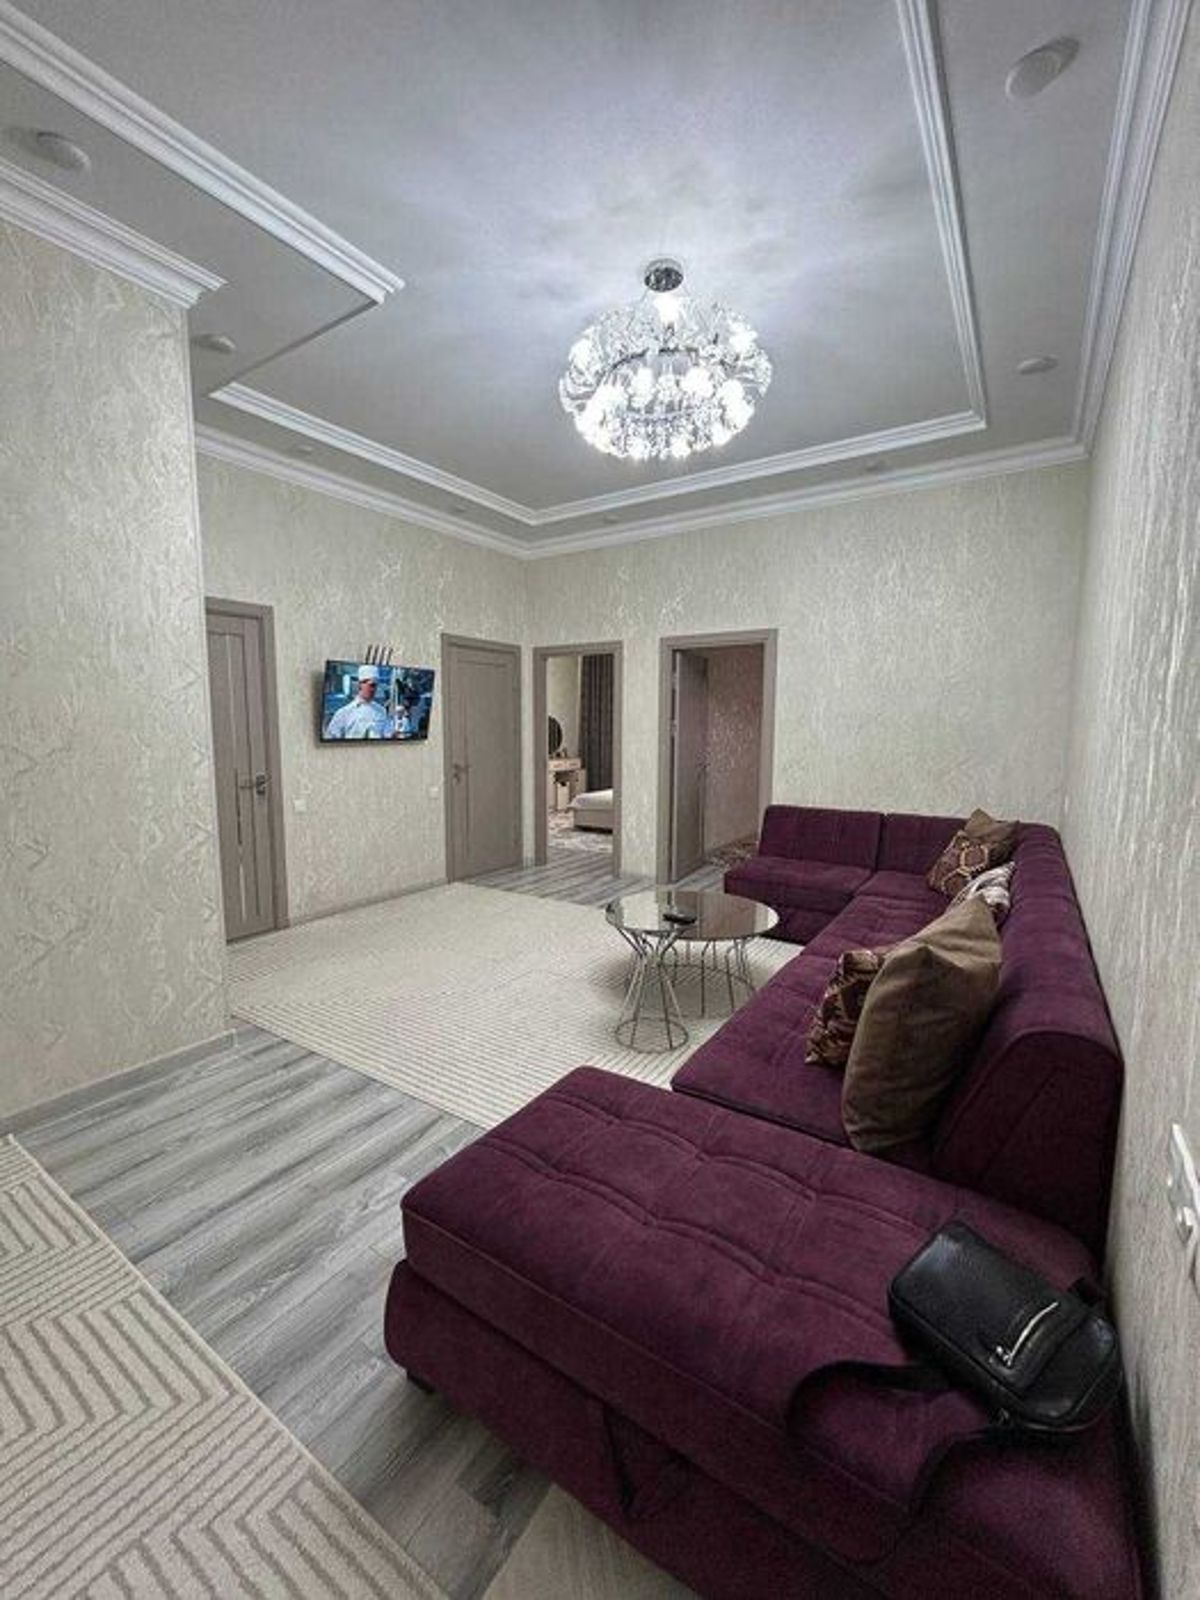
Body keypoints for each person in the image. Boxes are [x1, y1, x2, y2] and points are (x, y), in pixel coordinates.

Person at [325, 664, 395, 739]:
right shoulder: (344, 713)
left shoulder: (381, 711)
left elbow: (388, 735)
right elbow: (331, 737)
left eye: (375, 685)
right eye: (371, 685)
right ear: (360, 684)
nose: (373, 689)